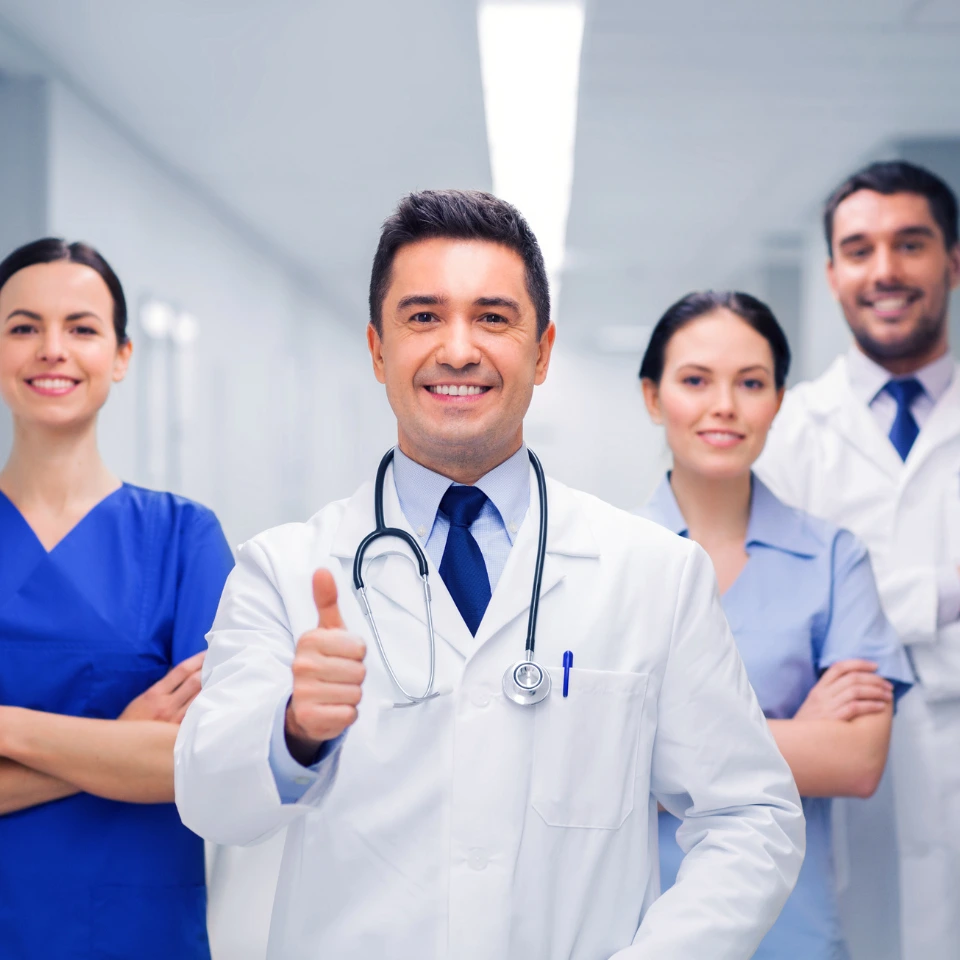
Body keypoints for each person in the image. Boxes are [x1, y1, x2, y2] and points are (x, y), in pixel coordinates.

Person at [175, 189, 804, 960]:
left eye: (494, 318)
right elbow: (209, 803)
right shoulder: (282, 570)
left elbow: (750, 818)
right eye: (423, 316)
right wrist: (294, 732)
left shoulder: (655, 575)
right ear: (377, 350)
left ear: (542, 352)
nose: (458, 349)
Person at [637, 290, 913, 960]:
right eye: (695, 380)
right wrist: (800, 733)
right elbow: (587, 764)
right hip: (644, 929)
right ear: (652, 397)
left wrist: (659, 756)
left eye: (751, 383)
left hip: (794, 930)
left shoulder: (834, 559)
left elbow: (856, 761)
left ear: (779, 402)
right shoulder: (609, 562)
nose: (724, 405)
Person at [0, 238, 234, 959]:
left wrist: (7, 727)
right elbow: (154, 754)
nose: (52, 349)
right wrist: (121, 739)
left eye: (81, 327)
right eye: (23, 327)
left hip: (132, 932)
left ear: (122, 355)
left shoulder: (184, 538)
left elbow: (200, 761)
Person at [754, 161, 960, 960]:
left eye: (910, 244)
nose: (885, 271)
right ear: (832, 272)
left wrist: (860, 615)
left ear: (952, 260)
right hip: (841, 783)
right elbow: (779, 621)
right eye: (859, 249)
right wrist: (945, 595)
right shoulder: (786, 435)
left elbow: (832, 617)